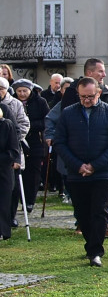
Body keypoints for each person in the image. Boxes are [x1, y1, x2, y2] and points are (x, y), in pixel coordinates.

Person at [54, 77, 108, 267]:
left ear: (99, 93)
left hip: (102, 173)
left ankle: (95, 251)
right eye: (83, 96)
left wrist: (95, 165)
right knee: (82, 213)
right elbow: (60, 142)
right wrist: (78, 165)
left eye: (91, 96)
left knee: (99, 212)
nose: (86, 100)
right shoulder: (68, 113)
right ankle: (90, 244)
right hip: (76, 173)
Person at [11, 80, 49, 215]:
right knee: (20, 171)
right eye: (19, 91)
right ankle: (20, 199)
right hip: (17, 140)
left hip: (35, 141)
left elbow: (46, 119)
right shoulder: (12, 102)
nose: (22, 94)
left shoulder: (40, 101)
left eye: (24, 91)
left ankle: (30, 200)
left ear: (30, 90)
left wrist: (29, 125)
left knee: (33, 173)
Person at [0, 107, 20, 240]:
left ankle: (2, 230)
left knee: (2, 202)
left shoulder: (6, 125)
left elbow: (13, 151)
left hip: (2, 170)